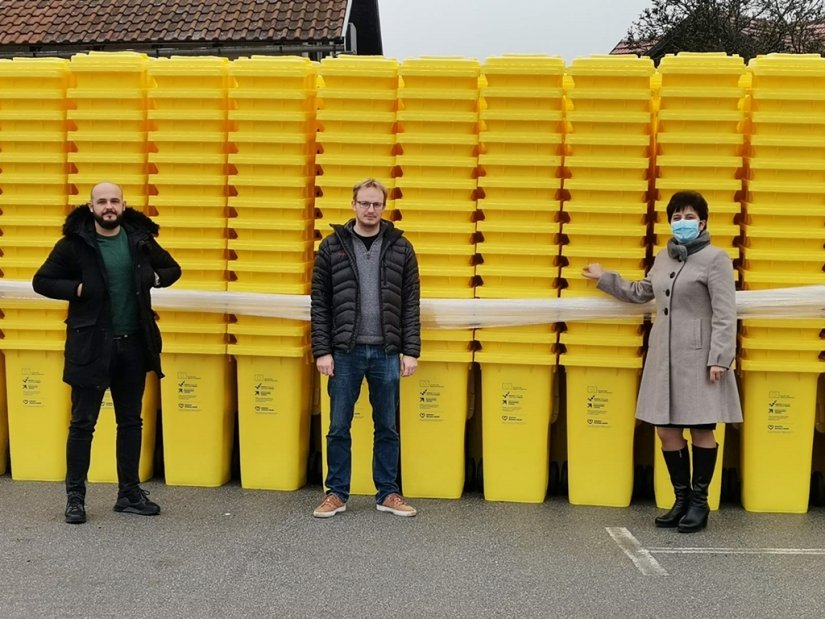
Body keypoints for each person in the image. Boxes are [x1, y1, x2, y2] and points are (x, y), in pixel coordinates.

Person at [582, 190, 742, 533]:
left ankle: (700, 504)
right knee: (666, 430)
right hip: (663, 359)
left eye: (689, 216)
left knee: (701, 428)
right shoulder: (663, 258)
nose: (682, 222)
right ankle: (681, 499)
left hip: (701, 359)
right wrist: (604, 278)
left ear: (703, 222)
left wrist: (720, 357)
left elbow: (726, 313)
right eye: (676, 217)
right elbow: (642, 291)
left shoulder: (716, 259)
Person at [33, 181, 181, 524]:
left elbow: (172, 269)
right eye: (102, 202)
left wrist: (153, 280)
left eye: (114, 201)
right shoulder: (74, 245)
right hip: (90, 346)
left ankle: (128, 494)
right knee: (83, 423)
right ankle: (75, 498)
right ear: (91, 207)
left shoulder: (139, 240)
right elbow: (41, 281)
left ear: (124, 205)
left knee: (130, 421)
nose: (109, 207)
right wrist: (77, 288)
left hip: (133, 345)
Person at [310, 178, 421, 518]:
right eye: (365, 203)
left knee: (387, 426)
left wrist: (410, 350)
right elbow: (320, 303)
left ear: (384, 208)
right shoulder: (332, 247)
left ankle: (387, 493)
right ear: (353, 204)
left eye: (377, 204)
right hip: (345, 351)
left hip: (387, 351)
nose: (371, 210)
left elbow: (410, 304)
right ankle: (336, 493)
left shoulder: (401, 248)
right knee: (338, 426)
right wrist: (322, 350)